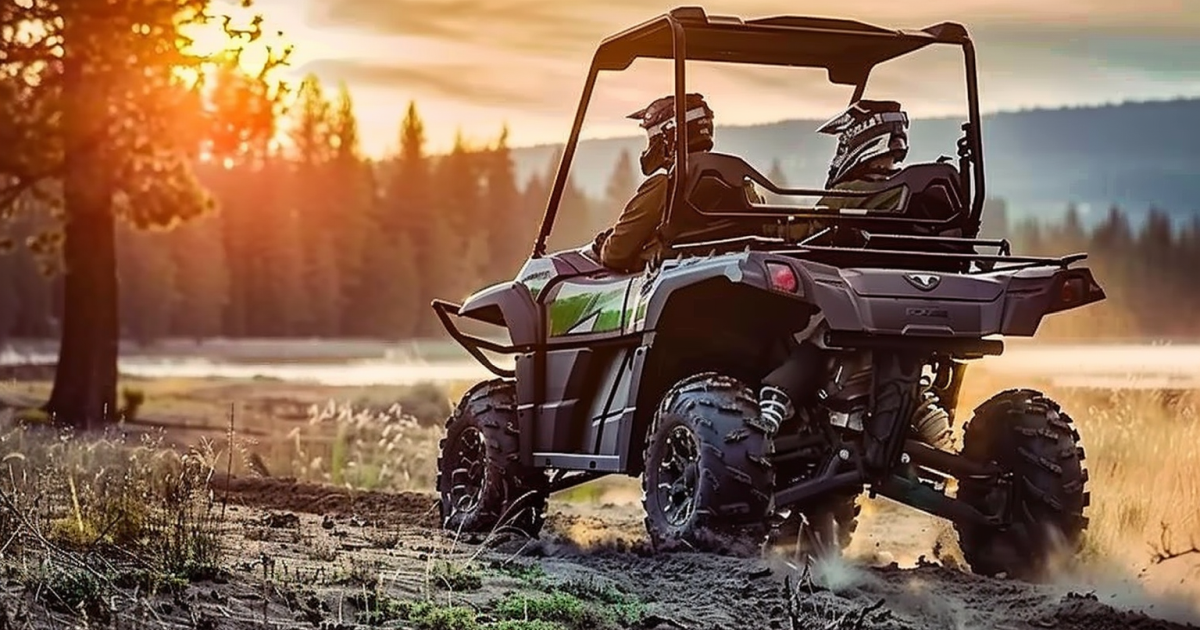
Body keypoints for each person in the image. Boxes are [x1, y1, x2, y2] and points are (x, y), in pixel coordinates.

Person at [592, 93, 761, 272]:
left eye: (651, 136)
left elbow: (616, 255)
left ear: (668, 133)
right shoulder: (739, 185)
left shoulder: (666, 186)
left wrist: (605, 243)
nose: (650, 146)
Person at [770, 99, 909, 242]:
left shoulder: (850, 193)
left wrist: (757, 221)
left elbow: (803, 230)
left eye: (843, 144)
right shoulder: (910, 189)